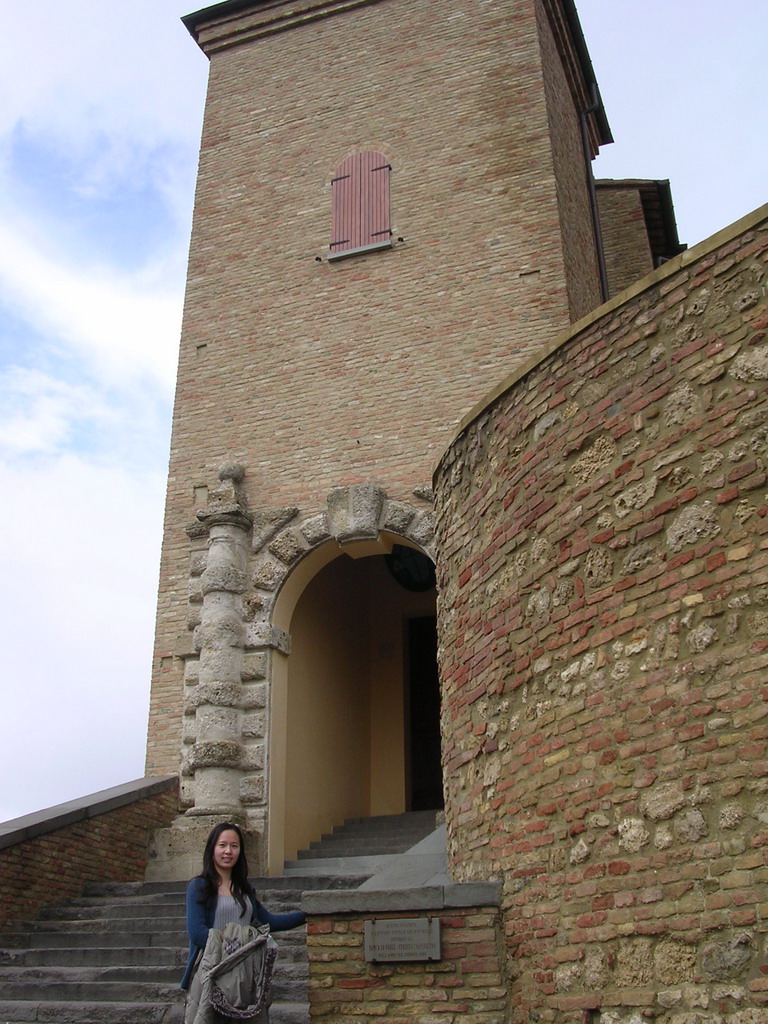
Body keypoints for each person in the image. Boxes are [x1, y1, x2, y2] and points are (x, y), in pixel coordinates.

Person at [181, 821, 305, 1015]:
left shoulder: (245, 890)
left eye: (234, 846)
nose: (228, 851)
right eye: (222, 845)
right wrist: (237, 939)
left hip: (243, 972)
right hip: (212, 969)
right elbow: (197, 934)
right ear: (212, 849)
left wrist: (308, 915)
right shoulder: (199, 886)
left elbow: (269, 922)